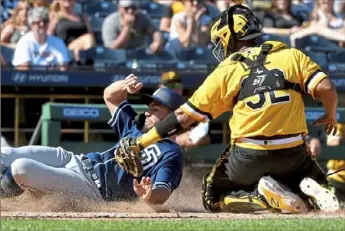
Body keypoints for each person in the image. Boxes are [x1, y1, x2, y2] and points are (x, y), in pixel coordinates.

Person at [116, 5, 340, 214]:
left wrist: (141, 142)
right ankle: (317, 189)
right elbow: (327, 88)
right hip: (293, 151)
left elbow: (182, 117)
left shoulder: (227, 69)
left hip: (249, 154)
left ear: (227, 37)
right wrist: (330, 114)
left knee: (211, 196)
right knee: (315, 179)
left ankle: (261, 197)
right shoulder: (290, 55)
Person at [0, 74, 185, 206]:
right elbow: (110, 96)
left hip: (91, 188)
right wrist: (124, 85)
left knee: (20, 168)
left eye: (155, 110)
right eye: (149, 107)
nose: (147, 112)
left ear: (172, 118)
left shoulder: (171, 153)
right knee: (6, 153)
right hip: (74, 159)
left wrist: (150, 196)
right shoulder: (137, 127)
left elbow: (163, 191)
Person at [159, 71, 211, 149]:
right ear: (160, 87)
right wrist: (179, 140)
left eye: (177, 85)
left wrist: (195, 138)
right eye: (169, 85)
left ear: (182, 87)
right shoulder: (154, 109)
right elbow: (146, 138)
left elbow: (209, 137)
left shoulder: (192, 107)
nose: (174, 88)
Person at [12, 7, 70, 71]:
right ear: (31, 24)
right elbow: (23, 70)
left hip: (55, 78)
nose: (42, 24)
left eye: (45, 21)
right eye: (38, 22)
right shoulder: (24, 42)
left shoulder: (58, 42)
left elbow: (64, 69)